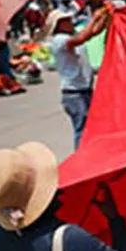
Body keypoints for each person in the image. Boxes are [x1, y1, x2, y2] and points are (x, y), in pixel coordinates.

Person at [43, 8, 98, 149]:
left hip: (83, 89)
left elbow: (91, 33)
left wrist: (103, 18)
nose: (70, 22)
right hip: (74, 92)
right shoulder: (59, 40)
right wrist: (94, 19)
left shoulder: (69, 37)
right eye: (66, 21)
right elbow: (82, 38)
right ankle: (81, 161)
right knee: (81, 130)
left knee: (89, 128)